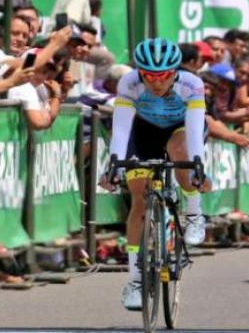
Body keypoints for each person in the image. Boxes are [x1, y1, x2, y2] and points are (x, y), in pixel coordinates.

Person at [99, 38, 212, 311]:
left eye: (163, 76)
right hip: (143, 131)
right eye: (149, 76)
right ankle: (136, 282)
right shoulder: (129, 83)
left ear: (175, 72)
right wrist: (114, 163)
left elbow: (195, 130)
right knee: (139, 200)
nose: (156, 82)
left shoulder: (191, 84)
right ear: (140, 73)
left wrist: (198, 165)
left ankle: (195, 214)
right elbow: (122, 129)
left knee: (179, 150)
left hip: (181, 129)